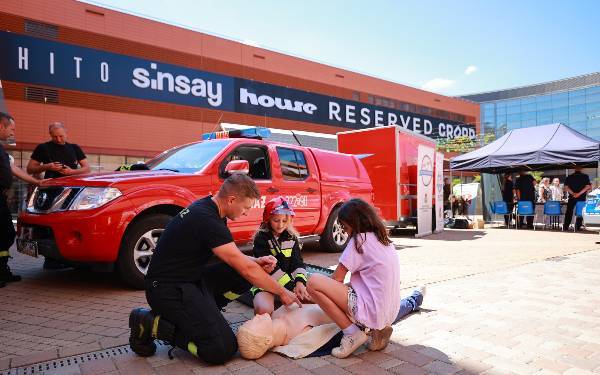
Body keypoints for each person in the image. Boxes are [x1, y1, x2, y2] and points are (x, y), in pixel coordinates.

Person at [128, 174, 301, 365]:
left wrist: (256, 260)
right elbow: (246, 269)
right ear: (232, 199)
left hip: (191, 280)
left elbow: (229, 256)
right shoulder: (207, 219)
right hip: (167, 290)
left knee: (244, 272)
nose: (245, 213)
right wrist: (282, 292)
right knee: (221, 350)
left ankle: (207, 312)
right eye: (245, 208)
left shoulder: (212, 210)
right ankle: (151, 323)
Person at [307, 198, 401, 358]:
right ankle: (377, 329)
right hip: (390, 310)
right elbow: (368, 282)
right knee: (346, 288)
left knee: (314, 282)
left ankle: (352, 333)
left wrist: (314, 296)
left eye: (344, 226)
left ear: (355, 222)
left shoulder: (359, 240)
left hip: (371, 310)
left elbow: (336, 279)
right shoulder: (384, 240)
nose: (344, 231)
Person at [237, 287, 426, 360]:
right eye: (254, 323)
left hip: (343, 301)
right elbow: (334, 334)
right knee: (395, 311)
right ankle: (415, 298)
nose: (255, 317)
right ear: (264, 339)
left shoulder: (275, 317)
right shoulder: (299, 337)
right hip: (353, 314)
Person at [27, 122, 90, 269]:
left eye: (61, 136)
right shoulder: (43, 148)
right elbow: (30, 168)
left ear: (66, 133)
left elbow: (87, 168)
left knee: (69, 223)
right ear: (50, 135)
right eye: (55, 137)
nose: (59, 139)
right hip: (50, 191)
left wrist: (71, 172)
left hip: (73, 190)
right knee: (51, 224)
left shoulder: (74, 148)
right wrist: (47, 166)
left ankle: (69, 256)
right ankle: (51, 259)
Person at [0, 113, 41, 287]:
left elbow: (14, 169)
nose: (12, 133)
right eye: (11, 129)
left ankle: (2, 270)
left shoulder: (1, 149)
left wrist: (38, 182)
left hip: (1, 197)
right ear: (1, 126)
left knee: (6, 233)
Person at [251, 197, 311, 315]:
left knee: (313, 298)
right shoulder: (261, 238)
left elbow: (298, 262)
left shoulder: (291, 237)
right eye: (276, 220)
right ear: (268, 219)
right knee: (263, 310)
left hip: (290, 284)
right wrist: (290, 288)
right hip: (266, 284)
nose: (280, 225)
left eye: (284, 221)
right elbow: (270, 270)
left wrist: (299, 282)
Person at [563, 167, 592, 231]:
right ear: (581, 169)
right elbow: (588, 186)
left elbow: (566, 187)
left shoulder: (569, 176)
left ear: (574, 169)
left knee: (569, 212)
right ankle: (578, 227)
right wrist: (579, 194)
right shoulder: (585, 176)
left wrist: (573, 194)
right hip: (581, 197)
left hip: (572, 197)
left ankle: (566, 226)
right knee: (580, 212)